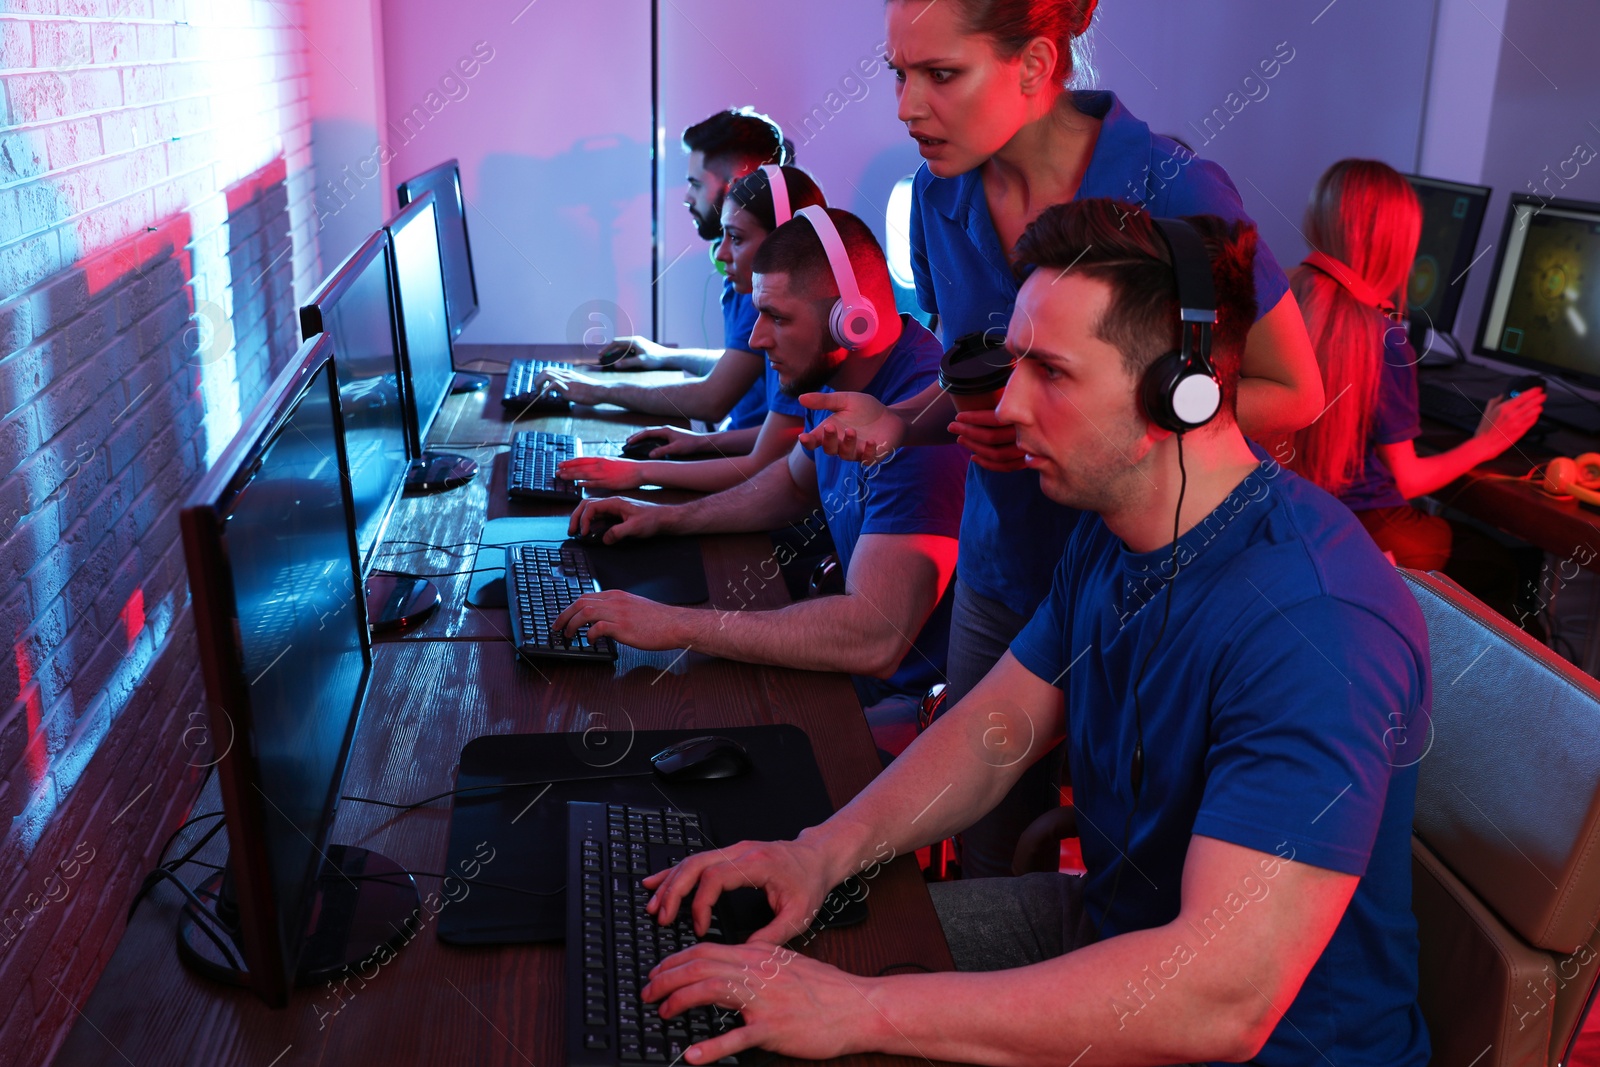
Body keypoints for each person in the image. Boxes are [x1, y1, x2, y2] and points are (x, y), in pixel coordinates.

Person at [632, 200, 1429, 1067]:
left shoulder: (1315, 628)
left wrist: (865, 1011)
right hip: (1108, 925)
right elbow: (993, 730)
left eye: (1050, 371)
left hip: (1255, 1039)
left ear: (1182, 393)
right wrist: (818, 855)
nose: (1004, 404)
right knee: (739, 963)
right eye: (1013, 362)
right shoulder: (1117, 524)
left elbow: (1223, 997)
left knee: (840, 1008)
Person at [796, 0, 1326, 878]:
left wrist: (1117, 426)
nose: (904, 106)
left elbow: (1293, 391)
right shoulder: (938, 192)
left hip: (1150, 571)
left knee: (1148, 859)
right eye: (898, 73)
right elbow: (981, 367)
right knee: (988, 844)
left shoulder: (1172, 191)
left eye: (940, 74)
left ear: (1036, 66)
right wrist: (903, 423)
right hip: (1006, 564)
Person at [554, 209, 969, 759]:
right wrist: (663, 517)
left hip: (906, 706)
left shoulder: (914, 431)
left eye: (776, 316)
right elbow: (792, 485)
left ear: (853, 320)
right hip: (857, 673)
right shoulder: (840, 378)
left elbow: (875, 636)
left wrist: (676, 624)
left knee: (657, 732)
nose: (757, 337)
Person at [1263, 159, 1545, 627]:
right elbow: (1409, 480)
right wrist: (1486, 442)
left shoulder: (1280, 296)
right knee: (1497, 565)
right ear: (1398, 246)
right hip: (1365, 527)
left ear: (1319, 219)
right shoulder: (1384, 337)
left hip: (1296, 517)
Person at [556, 166, 824, 494]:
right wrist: (699, 441)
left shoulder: (804, 337)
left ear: (785, 241)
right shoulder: (768, 310)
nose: (721, 253)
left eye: (736, 238)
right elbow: (787, 434)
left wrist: (641, 472)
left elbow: (761, 462)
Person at [533, 108, 789, 439]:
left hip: (745, 462)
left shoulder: (767, 276)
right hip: (735, 444)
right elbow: (741, 365)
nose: (686, 196)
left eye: (696, 184)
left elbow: (713, 399)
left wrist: (599, 392)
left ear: (737, 186)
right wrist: (663, 356)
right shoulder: (748, 266)